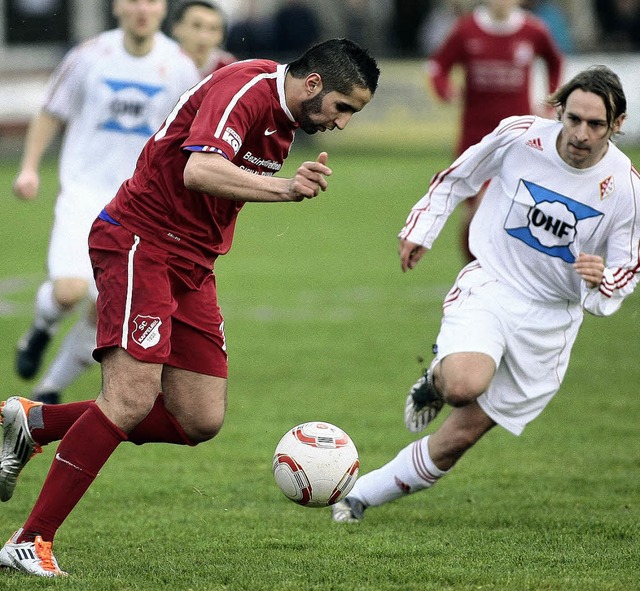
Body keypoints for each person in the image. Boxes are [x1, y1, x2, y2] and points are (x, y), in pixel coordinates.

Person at [0, 37, 380, 577]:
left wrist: (279, 186)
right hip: (140, 242)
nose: (342, 123)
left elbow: (223, 183)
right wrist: (286, 190)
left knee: (199, 417)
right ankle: (30, 539)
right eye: (343, 108)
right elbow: (198, 171)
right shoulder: (245, 89)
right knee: (130, 398)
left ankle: (36, 423)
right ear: (313, 83)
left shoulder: (287, 119)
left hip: (192, 264)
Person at [331, 65, 640, 523]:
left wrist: (601, 279)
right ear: (558, 110)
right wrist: (422, 228)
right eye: (573, 118)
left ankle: (360, 498)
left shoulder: (627, 189)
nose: (580, 133)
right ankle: (433, 382)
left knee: (459, 438)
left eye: (595, 124)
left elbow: (626, 268)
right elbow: (458, 176)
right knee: (462, 385)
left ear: (616, 125)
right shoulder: (520, 136)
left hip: (551, 322)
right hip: (493, 283)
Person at [13, 0, 200, 405]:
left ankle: (48, 390)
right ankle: (41, 328)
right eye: (132, 0)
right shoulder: (89, 56)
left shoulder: (180, 66)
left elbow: (185, 139)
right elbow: (50, 113)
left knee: (105, 306)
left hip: (139, 206)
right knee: (68, 291)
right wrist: (29, 167)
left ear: (162, 8)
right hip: (82, 193)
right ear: (116, 7)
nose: (141, 9)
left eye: (151, 1)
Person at [426, 0, 564, 263]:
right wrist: (445, 91)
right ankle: (476, 268)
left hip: (518, 138)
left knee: (514, 210)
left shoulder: (533, 30)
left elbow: (555, 61)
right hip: (474, 137)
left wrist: (551, 98)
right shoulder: (466, 30)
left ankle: (503, 271)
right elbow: (437, 66)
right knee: (476, 211)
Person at [171, 0, 237, 78]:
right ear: (176, 28)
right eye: (196, 25)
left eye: (213, 28)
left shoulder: (231, 70)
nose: (204, 36)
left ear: (221, 36)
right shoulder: (161, 62)